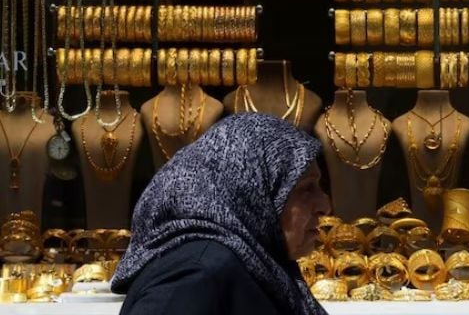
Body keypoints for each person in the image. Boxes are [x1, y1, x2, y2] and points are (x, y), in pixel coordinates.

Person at [112, 113, 331, 315]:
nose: (325, 205)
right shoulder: (197, 274)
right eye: (306, 188)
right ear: (251, 191)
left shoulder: (259, 266)